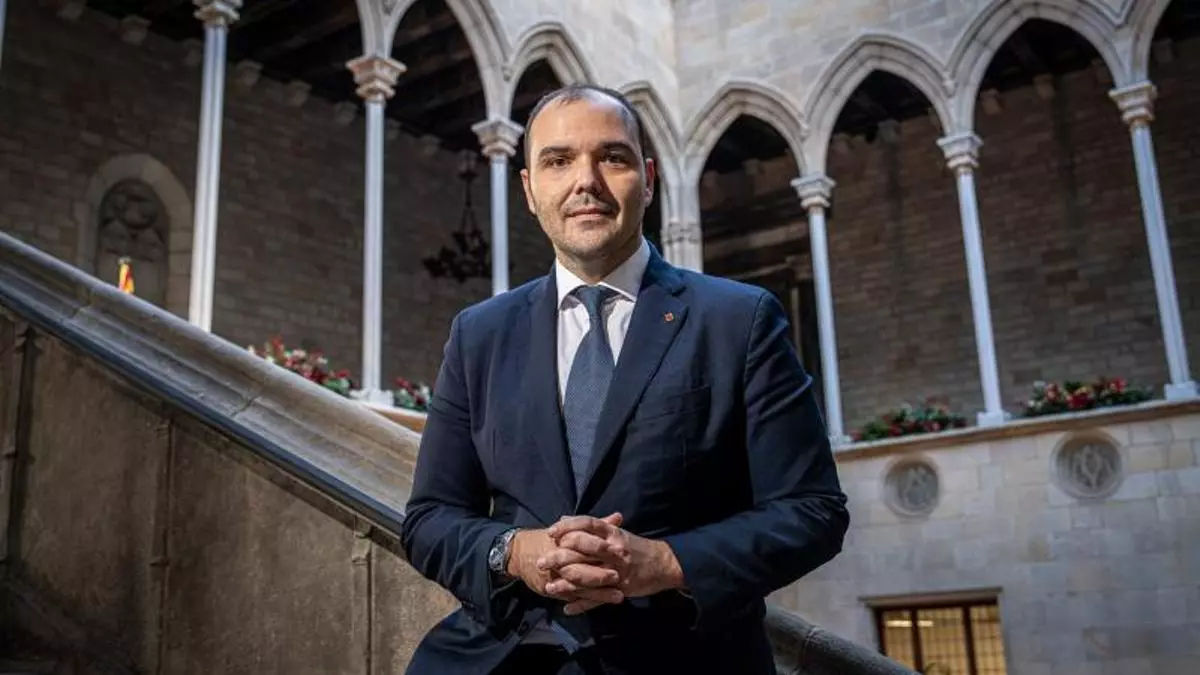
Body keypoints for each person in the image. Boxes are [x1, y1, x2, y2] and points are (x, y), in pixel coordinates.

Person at [400, 83, 850, 675]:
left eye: (612, 157)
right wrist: (515, 551)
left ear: (649, 179)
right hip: (503, 656)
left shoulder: (738, 320)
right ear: (530, 191)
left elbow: (813, 510)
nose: (585, 181)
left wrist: (664, 562)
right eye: (558, 161)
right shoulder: (479, 333)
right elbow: (429, 519)